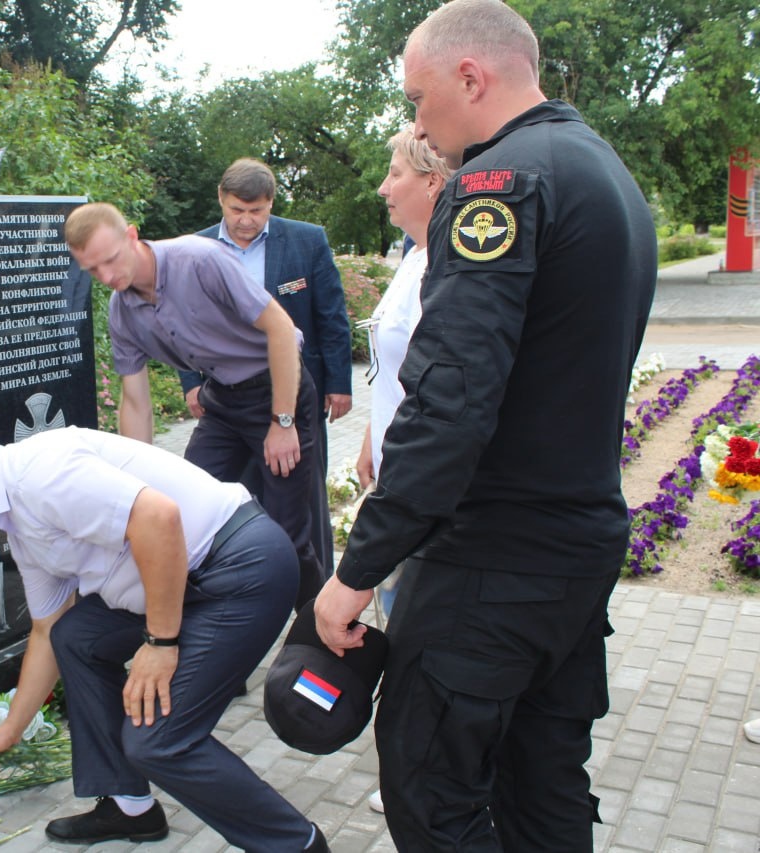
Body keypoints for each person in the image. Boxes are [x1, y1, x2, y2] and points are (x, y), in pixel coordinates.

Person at [312, 1, 657, 849]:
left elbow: (452, 403)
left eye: (419, 96)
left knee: (433, 787)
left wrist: (357, 570)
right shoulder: (603, 169)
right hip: (574, 548)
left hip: (492, 562)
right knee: (542, 782)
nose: (416, 119)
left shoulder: (497, 183)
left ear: (472, 77)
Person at [0, 416, 330, 851]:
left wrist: (160, 643)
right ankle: (131, 809)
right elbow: (46, 630)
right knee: (74, 636)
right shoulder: (18, 518)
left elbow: (160, 519)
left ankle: (298, 845)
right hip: (185, 581)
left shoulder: (40, 477)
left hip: (238, 570)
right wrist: (11, 728)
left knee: (158, 743)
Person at [65, 202, 326, 609]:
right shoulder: (122, 312)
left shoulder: (199, 260)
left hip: (279, 390)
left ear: (132, 235)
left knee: (287, 535)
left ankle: (323, 635)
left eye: (112, 260)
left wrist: (283, 421)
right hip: (222, 400)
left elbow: (280, 328)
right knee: (183, 511)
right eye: (93, 270)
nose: (107, 276)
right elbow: (135, 400)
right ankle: (221, 636)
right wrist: (134, 484)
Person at [182, 158, 353, 575]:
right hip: (226, 398)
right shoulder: (196, 248)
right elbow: (184, 320)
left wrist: (340, 383)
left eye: (256, 211)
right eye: (237, 210)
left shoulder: (306, 241)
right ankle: (239, 584)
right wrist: (190, 381)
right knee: (220, 494)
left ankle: (315, 608)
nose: (246, 221)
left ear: (271, 203)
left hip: (297, 393)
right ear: (221, 200)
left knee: (301, 507)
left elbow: (331, 316)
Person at [354, 125, 453, 815]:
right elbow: (395, 369)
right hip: (390, 465)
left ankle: (427, 771)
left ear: (433, 180)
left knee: (411, 628)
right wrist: (368, 433)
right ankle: (411, 765)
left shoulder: (448, 262)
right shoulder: (414, 255)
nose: (383, 187)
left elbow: (441, 387)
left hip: (419, 488)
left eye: (395, 173)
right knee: (396, 619)